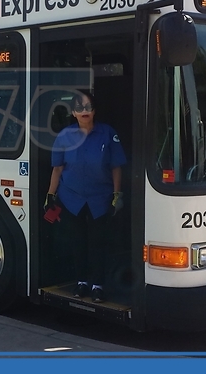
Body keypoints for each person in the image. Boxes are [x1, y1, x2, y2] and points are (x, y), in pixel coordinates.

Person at [44, 91, 126, 303]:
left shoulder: (108, 133)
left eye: (88, 107)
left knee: (98, 242)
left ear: (94, 110)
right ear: (73, 113)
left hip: (100, 197)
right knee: (77, 241)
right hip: (72, 198)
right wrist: (50, 195)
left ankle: (98, 285)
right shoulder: (64, 136)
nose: (84, 112)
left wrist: (118, 194)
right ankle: (81, 282)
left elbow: (116, 166)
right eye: (79, 108)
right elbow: (58, 168)